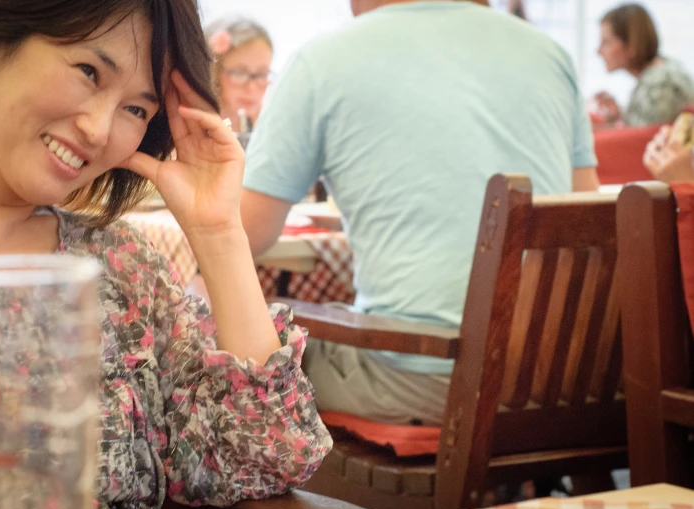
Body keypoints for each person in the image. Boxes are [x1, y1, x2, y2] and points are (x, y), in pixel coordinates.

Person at [0, 0, 331, 509]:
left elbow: (270, 455)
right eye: (89, 71)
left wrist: (217, 231)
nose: (96, 128)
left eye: (137, 109)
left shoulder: (123, 267)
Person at [240, 0, 599, 428]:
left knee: (222, 323)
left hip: (427, 377)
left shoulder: (322, 61)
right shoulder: (550, 55)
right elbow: (585, 215)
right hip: (565, 377)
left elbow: (241, 235)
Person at [594, 3, 694, 127]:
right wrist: (620, 114)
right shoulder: (663, 70)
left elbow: (643, 140)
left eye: (606, 42)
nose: (598, 51)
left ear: (631, 44)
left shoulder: (661, 85)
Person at [204, 16, 274, 133]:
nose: (251, 88)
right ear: (214, 73)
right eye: (240, 73)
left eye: (262, 74)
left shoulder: (271, 127)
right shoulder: (195, 128)